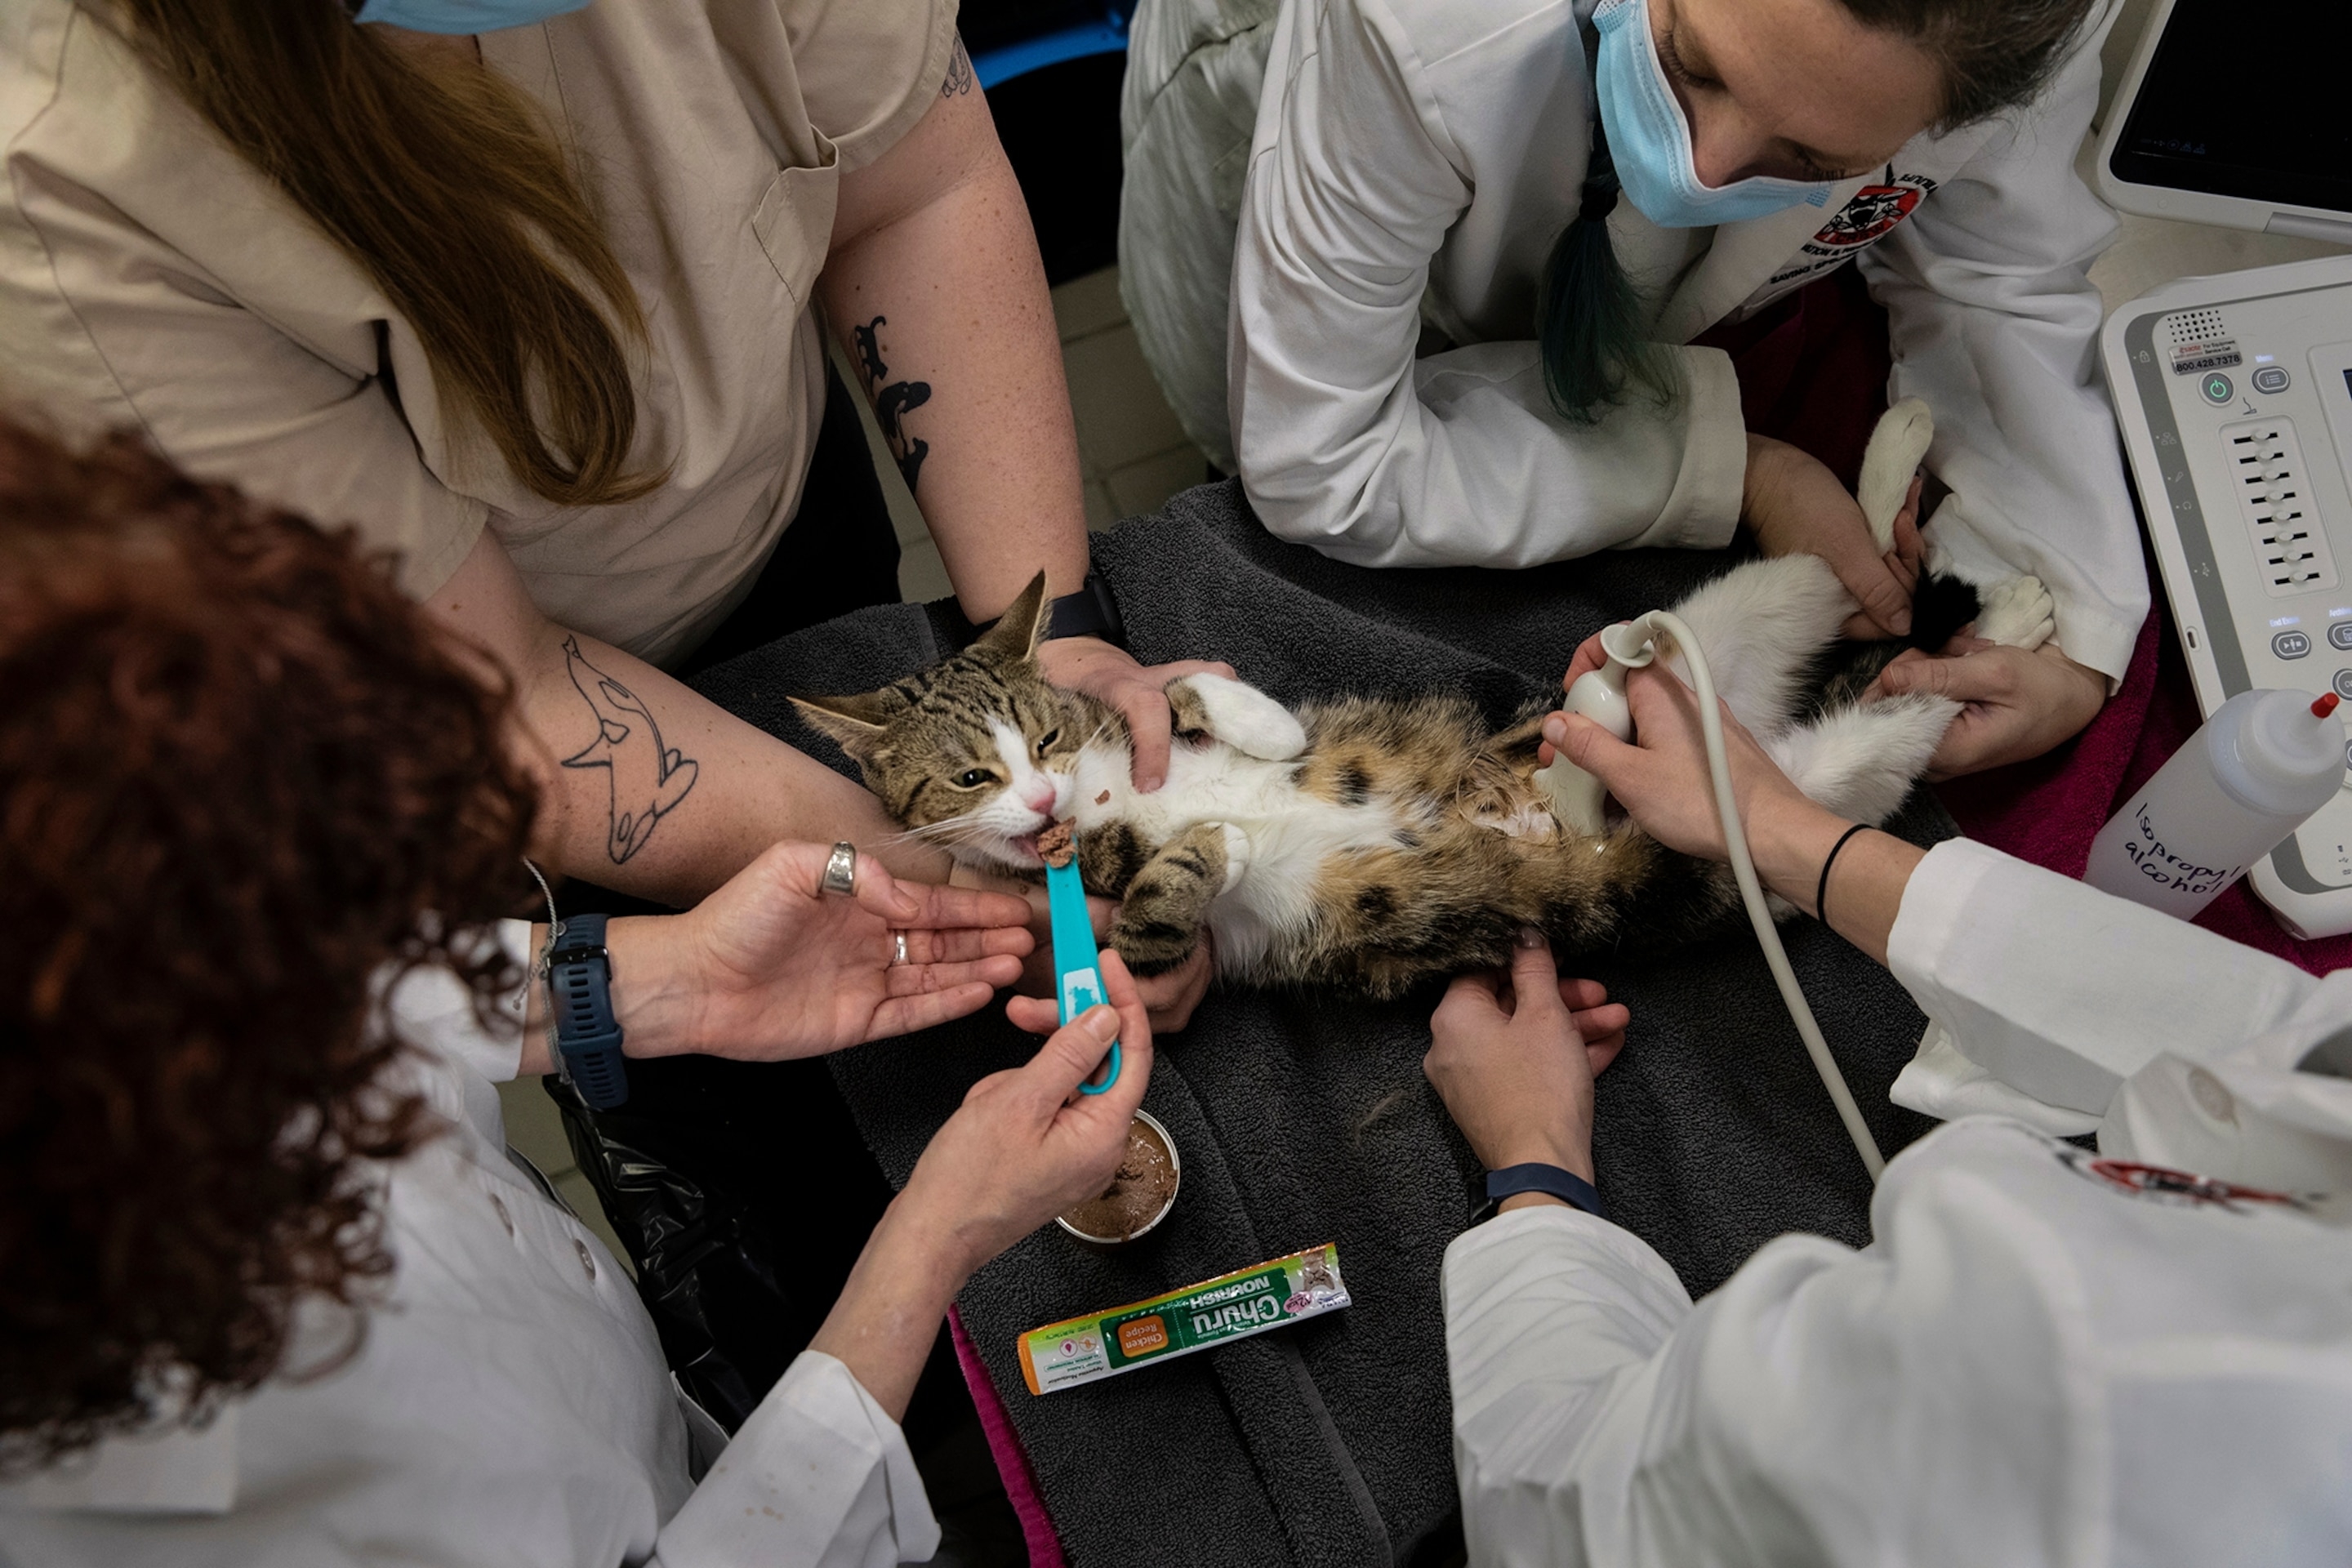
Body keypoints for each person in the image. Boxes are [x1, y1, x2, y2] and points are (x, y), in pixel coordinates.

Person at [0, 421, 1160, 1566]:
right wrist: (934, 1241)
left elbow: (336, 993)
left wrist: (644, 988)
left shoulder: (157, 957)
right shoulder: (155, 1492)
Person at [0, 0, 1218, 1025]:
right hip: (494, 720)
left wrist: (1050, 642)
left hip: (784, 500)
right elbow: (508, 695)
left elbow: (916, 185)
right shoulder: (62, 167)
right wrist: (944, 877)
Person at [1415, 628, 2352, 1563]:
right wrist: (1782, 831)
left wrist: (1536, 1167)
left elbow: (1566, 1510)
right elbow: (2260, 1041)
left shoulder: (2086, 1380)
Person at [1120, 0, 2137, 778]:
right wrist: (1733, 466)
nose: (1701, 171)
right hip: (1320, 139)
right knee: (1261, 525)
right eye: (1692, 61)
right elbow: (1322, 460)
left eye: (1807, 159)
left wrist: (2068, 620)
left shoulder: (2034, 27)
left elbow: (1997, 278)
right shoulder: (1424, 27)